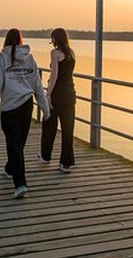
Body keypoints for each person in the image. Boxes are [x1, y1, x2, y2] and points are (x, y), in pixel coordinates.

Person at [0, 29, 50, 199]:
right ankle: (10, 168)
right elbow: (38, 86)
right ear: (21, 40)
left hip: (10, 106)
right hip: (26, 105)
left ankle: (20, 183)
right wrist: (45, 108)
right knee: (19, 142)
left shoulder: (2, 58)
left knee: (14, 143)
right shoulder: (30, 58)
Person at [37, 28, 77, 173]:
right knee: (68, 128)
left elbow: (54, 76)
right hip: (70, 92)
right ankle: (66, 163)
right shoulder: (71, 53)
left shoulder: (55, 53)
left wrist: (48, 94)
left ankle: (45, 156)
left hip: (58, 93)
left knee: (49, 124)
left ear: (55, 38)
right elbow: (68, 74)